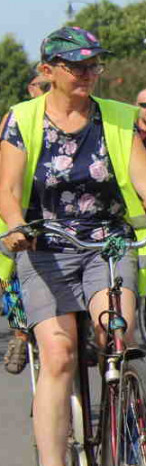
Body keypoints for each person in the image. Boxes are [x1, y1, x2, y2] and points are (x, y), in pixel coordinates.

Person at [0, 27, 146, 466]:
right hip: (44, 248)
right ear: (49, 71)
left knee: (115, 336)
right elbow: (8, 187)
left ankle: (126, 430)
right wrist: (17, 225)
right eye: (76, 66)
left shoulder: (118, 118)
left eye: (93, 66)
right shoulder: (22, 119)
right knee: (59, 354)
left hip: (107, 242)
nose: (87, 74)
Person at [3, 74, 52, 374]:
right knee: (11, 271)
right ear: (30, 89)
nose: (45, 92)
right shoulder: (17, 118)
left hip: (62, 214)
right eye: (41, 86)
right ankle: (20, 333)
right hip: (18, 209)